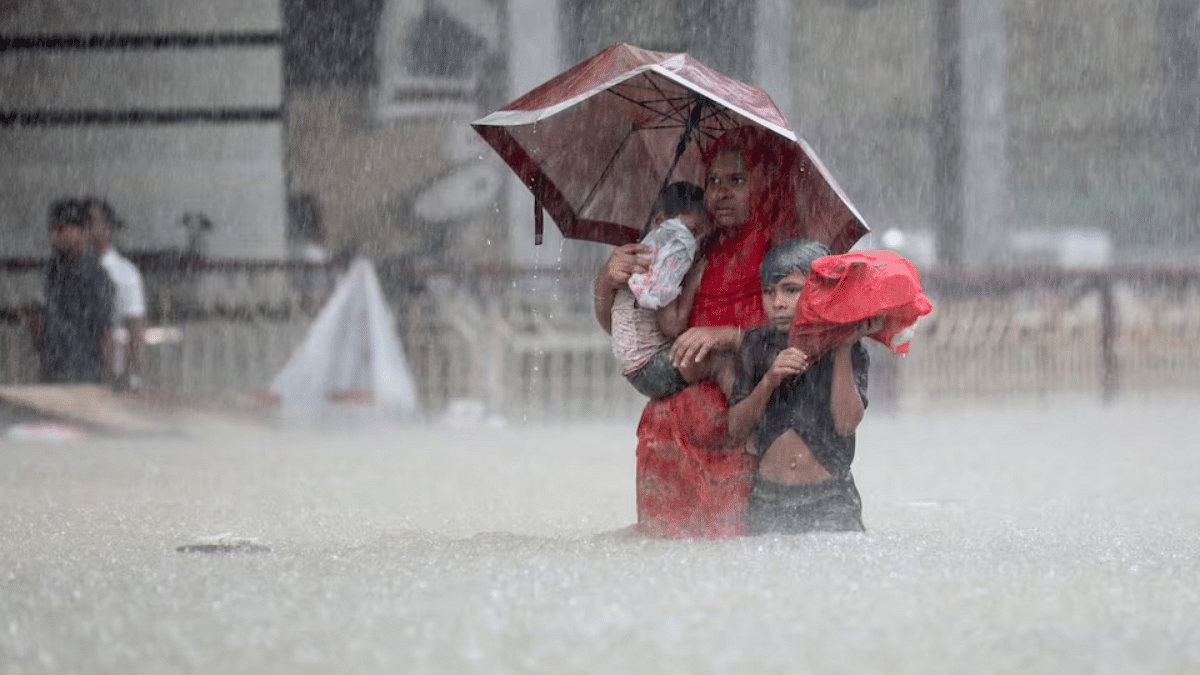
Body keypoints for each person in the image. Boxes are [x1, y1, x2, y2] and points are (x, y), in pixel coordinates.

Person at [594, 126, 807, 538]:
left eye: (737, 181)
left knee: (734, 559)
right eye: (713, 181)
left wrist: (729, 335)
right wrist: (606, 282)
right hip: (669, 430)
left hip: (742, 428)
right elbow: (623, 329)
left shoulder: (779, 249)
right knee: (667, 566)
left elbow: (801, 333)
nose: (722, 192)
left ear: (762, 186)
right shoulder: (688, 245)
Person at [727, 238, 879, 534]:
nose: (777, 303)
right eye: (768, 292)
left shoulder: (850, 346)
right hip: (768, 498)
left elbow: (846, 424)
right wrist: (770, 379)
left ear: (819, 292)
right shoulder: (757, 344)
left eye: (791, 290)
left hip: (830, 500)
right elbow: (735, 427)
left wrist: (843, 349)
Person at [608, 182, 732, 399]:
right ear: (660, 221)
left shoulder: (648, 250)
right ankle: (744, 419)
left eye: (704, 239)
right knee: (724, 362)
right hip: (650, 367)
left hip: (637, 366)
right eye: (692, 232)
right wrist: (694, 279)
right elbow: (672, 326)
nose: (697, 244)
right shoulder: (663, 262)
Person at [37, 198, 115, 384]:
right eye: (53, 230)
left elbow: (105, 331)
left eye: (62, 229)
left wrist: (108, 375)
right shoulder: (53, 269)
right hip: (55, 369)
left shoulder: (95, 274)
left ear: (82, 231)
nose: (56, 235)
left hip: (84, 370)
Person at [84, 197, 147, 392]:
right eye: (84, 221)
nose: (88, 227)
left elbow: (135, 327)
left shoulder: (125, 272)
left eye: (94, 221)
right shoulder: (63, 269)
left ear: (108, 227)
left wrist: (135, 374)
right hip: (72, 368)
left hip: (111, 373)